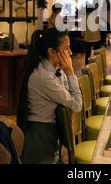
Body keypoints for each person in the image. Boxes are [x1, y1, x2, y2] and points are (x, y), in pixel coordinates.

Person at [17, 28, 82, 164]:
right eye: (66, 49)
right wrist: (70, 72)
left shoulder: (56, 69)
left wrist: (67, 74)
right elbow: (76, 103)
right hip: (40, 135)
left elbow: (70, 100)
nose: (70, 53)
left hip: (50, 130)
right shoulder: (43, 76)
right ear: (51, 51)